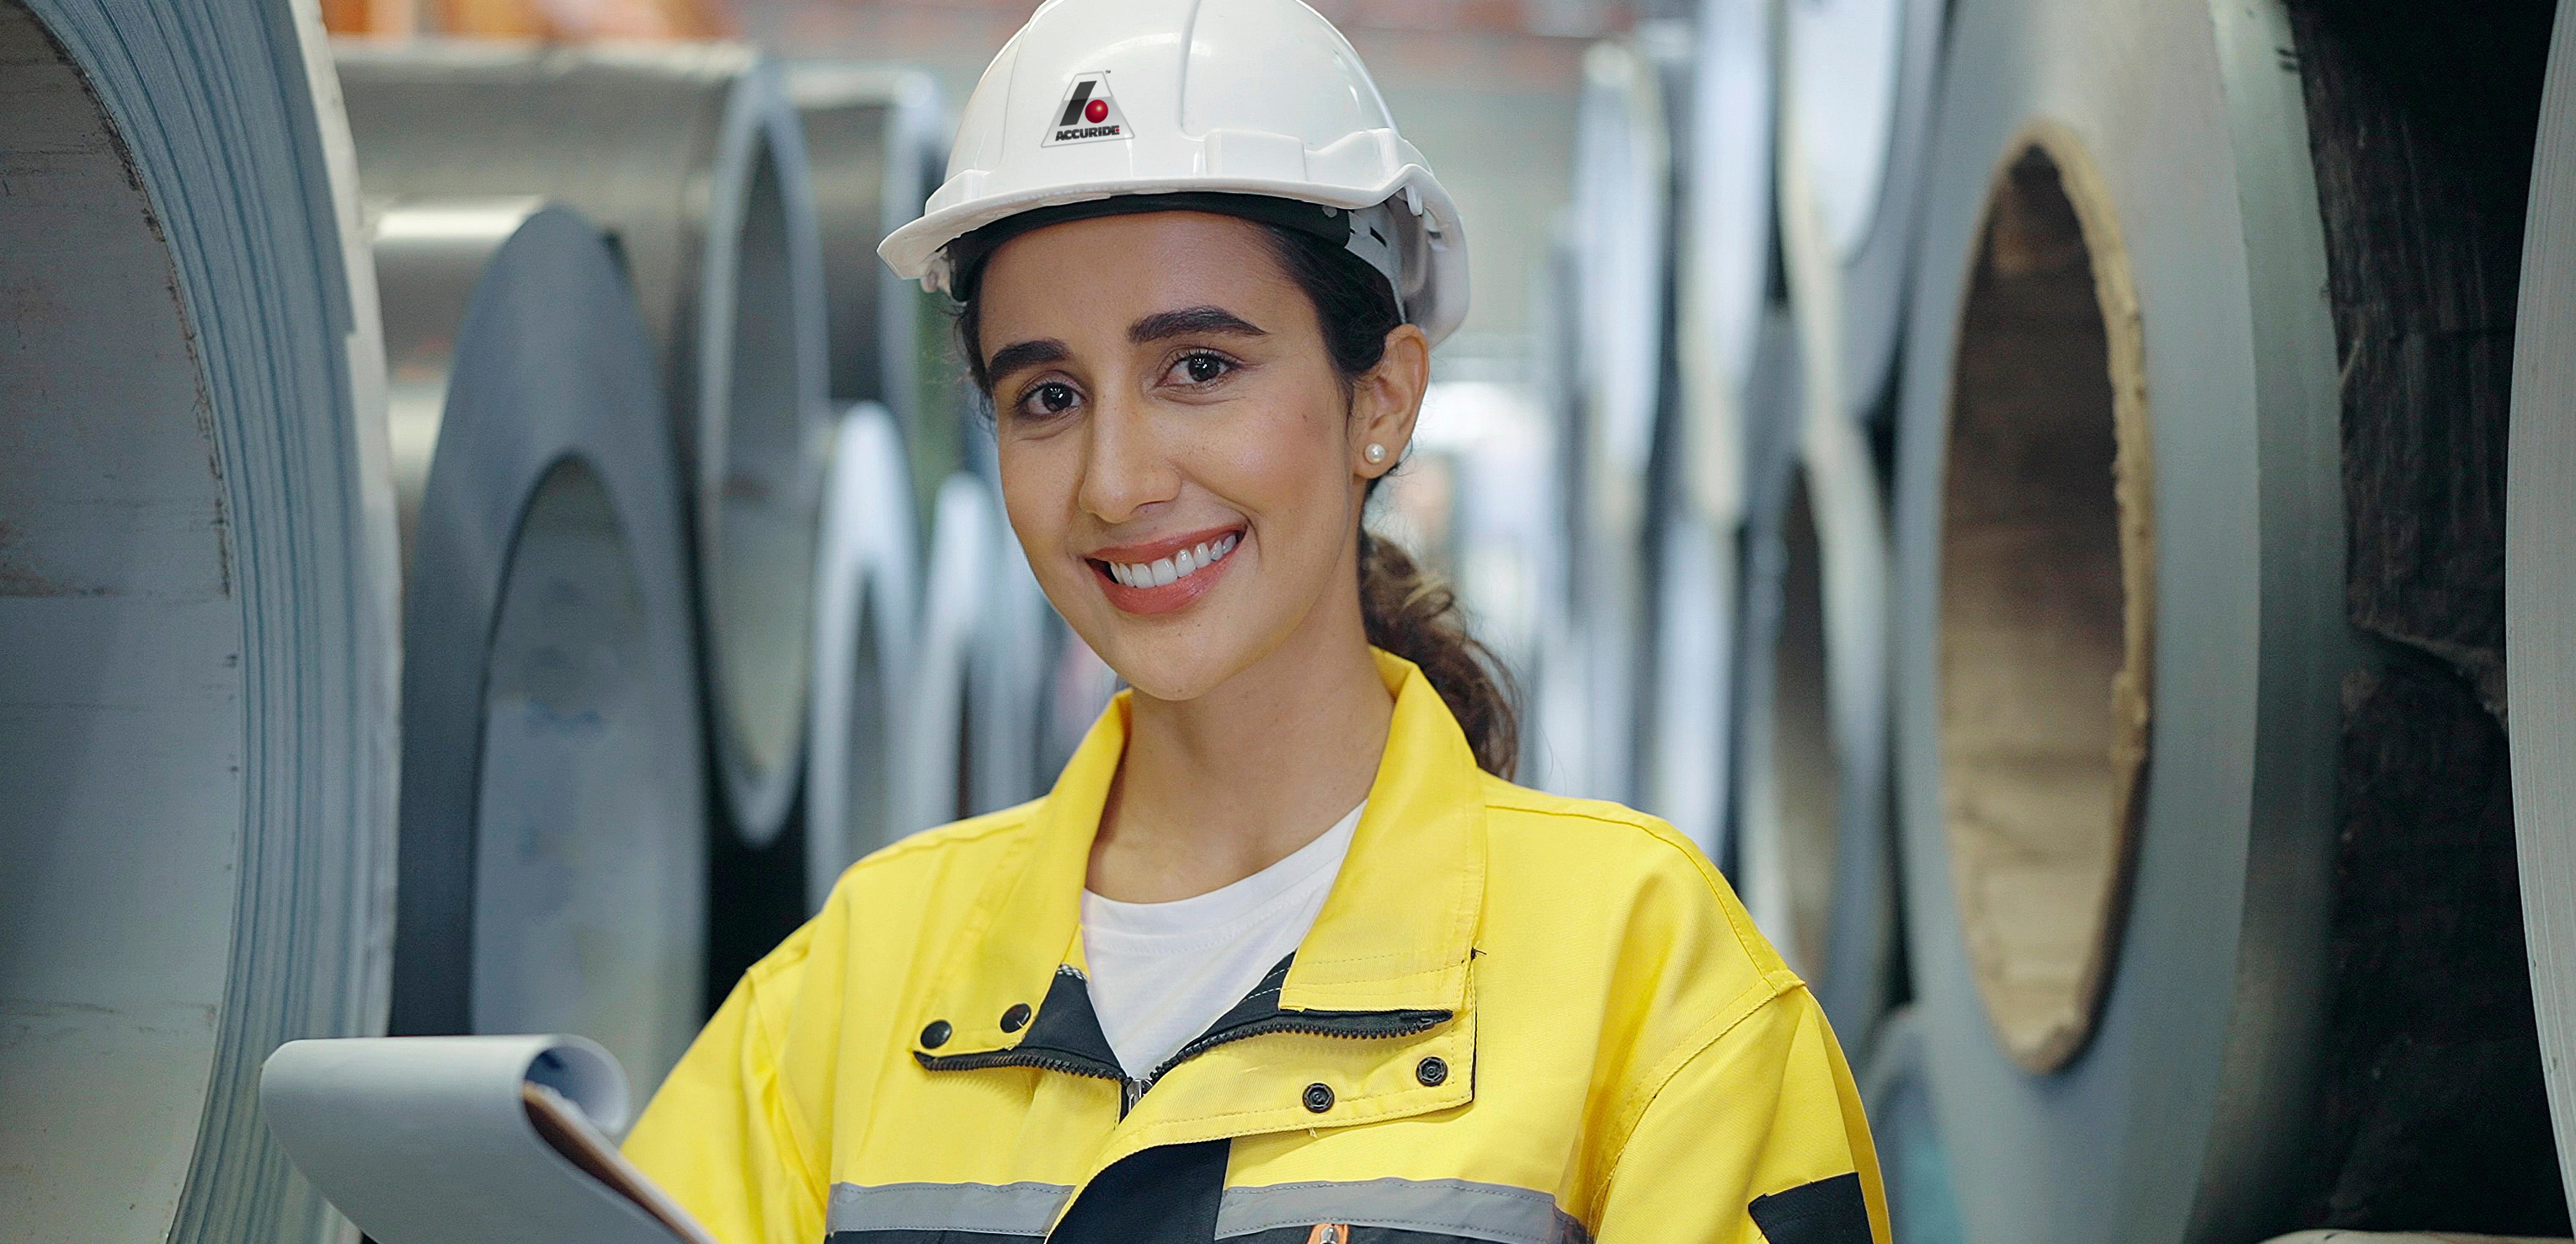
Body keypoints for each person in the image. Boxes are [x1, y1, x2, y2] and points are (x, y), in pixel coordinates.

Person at [626, 2, 1885, 1240]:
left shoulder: (1649, 980)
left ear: (1381, 400)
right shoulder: (856, 985)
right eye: (1049, 396)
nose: (1116, 482)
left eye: (1201, 369)